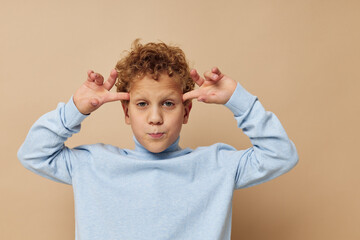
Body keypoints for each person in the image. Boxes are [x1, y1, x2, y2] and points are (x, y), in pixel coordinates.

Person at [18, 39, 298, 240]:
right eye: (141, 104)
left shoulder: (216, 166)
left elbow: (281, 154)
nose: (155, 118)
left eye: (167, 104)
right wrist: (74, 109)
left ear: (186, 111)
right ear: (126, 112)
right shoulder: (93, 165)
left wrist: (240, 101)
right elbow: (33, 153)